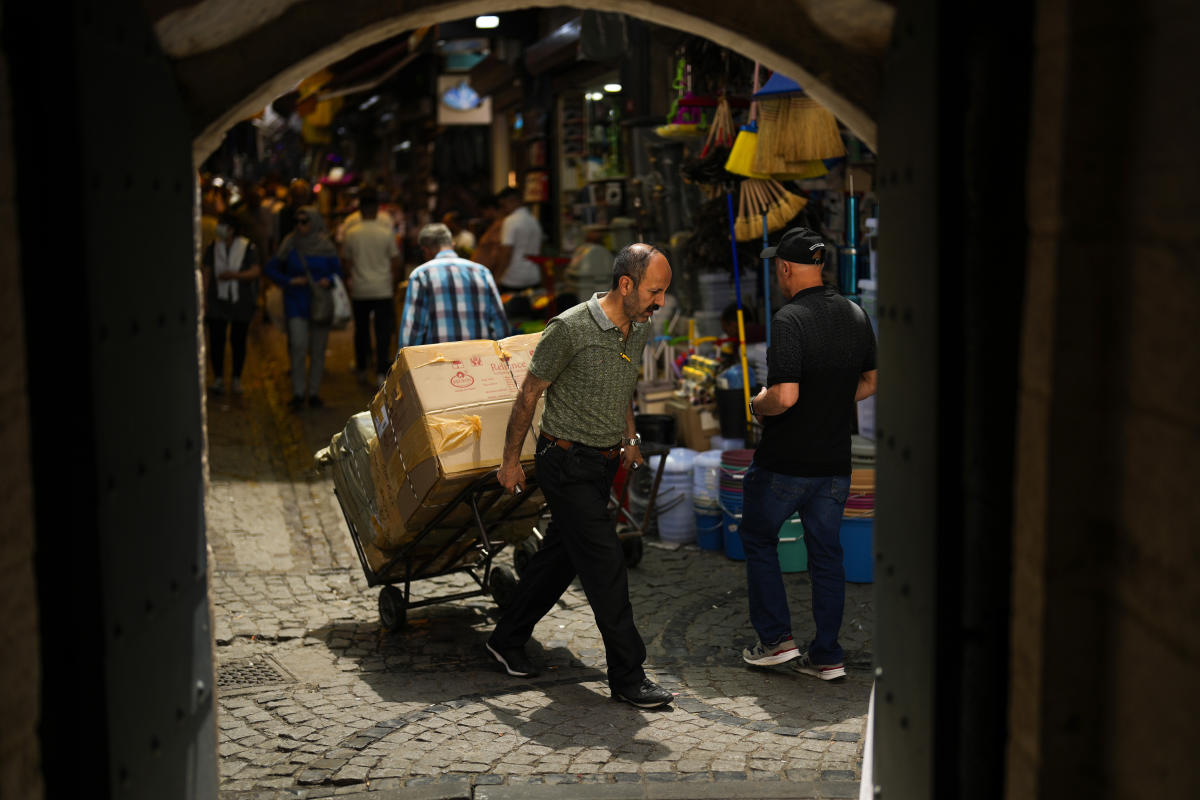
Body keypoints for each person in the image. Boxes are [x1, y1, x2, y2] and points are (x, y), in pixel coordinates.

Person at [488, 243, 676, 709]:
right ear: (626, 285)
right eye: (656, 291)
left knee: (561, 557)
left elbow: (623, 387)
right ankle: (629, 677)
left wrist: (630, 440)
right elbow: (529, 394)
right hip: (564, 463)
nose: (662, 302)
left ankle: (506, 637)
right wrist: (510, 462)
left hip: (604, 463)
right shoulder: (569, 328)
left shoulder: (639, 327)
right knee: (606, 565)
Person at [739, 227, 877, 680]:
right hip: (835, 462)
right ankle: (828, 655)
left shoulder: (789, 319)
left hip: (786, 460)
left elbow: (785, 396)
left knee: (759, 539)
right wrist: (832, 401)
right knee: (826, 554)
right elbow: (873, 381)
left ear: (784, 268)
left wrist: (757, 404)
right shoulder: (855, 313)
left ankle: (776, 641)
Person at [264, 205, 342, 410]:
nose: (300, 226)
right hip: (296, 303)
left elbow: (338, 272)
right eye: (297, 222)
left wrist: (329, 281)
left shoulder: (326, 246)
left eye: (304, 222)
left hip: (320, 304)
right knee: (297, 347)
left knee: (318, 349)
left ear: (314, 222)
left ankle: (313, 392)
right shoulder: (290, 243)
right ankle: (298, 392)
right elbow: (270, 268)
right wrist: (289, 281)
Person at [397, 223, 509, 347]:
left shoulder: (421, 275)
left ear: (425, 250)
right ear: (452, 245)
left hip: (440, 361)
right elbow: (499, 324)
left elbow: (413, 328)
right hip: (479, 360)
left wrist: (402, 361)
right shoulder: (482, 272)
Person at [341, 186, 402, 386]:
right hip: (382, 288)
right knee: (382, 332)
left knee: (361, 330)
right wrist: (392, 282)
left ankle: (361, 367)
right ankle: (380, 372)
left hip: (360, 289)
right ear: (376, 209)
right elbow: (395, 261)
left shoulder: (351, 232)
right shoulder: (385, 232)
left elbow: (347, 263)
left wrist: (353, 279)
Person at [203, 212, 261, 395]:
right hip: (217, 301)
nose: (219, 228)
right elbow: (207, 272)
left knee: (238, 341)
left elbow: (255, 271)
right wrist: (204, 298)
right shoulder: (213, 247)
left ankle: (236, 378)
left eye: (223, 225)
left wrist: (234, 276)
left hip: (240, 301)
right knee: (217, 340)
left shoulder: (247, 247)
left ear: (232, 229)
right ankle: (218, 378)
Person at [493, 186, 544, 292]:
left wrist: (497, 277)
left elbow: (506, 252)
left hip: (514, 278)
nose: (504, 209)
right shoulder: (533, 220)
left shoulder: (510, 221)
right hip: (534, 276)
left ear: (512, 201)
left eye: (503, 205)